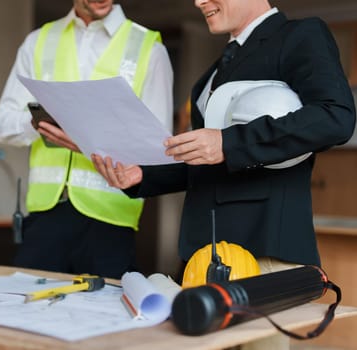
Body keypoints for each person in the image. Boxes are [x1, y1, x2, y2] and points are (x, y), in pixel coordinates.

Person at [93, 0, 355, 324]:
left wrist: (227, 142)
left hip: (264, 250)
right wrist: (141, 176)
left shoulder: (300, 35)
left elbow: (335, 117)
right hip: (203, 254)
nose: (199, 1)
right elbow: (208, 161)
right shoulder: (213, 72)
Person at [0, 0, 173, 279]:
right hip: (45, 218)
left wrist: (88, 143)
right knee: (26, 313)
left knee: (106, 318)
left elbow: (157, 152)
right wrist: (39, 120)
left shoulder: (150, 49)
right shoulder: (37, 41)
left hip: (111, 221)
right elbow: (2, 126)